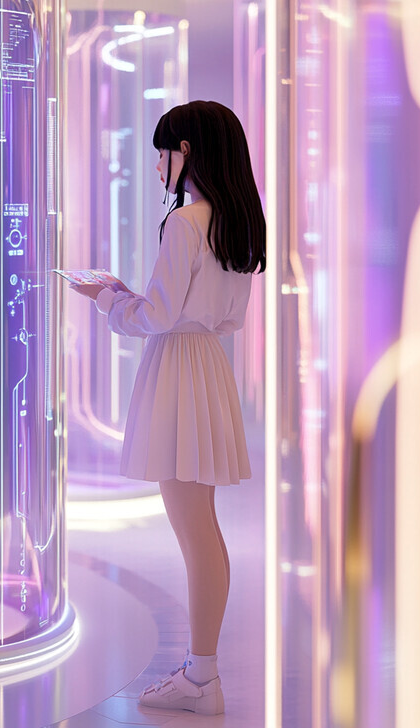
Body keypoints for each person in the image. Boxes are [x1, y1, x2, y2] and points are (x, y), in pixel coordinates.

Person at [70, 100, 266, 716]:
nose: (159, 164)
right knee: (202, 526)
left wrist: (106, 300)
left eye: (165, 151)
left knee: (193, 531)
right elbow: (215, 315)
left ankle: (201, 677)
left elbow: (155, 318)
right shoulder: (236, 223)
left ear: (189, 153)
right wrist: (132, 297)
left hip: (178, 370)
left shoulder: (184, 223)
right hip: (207, 366)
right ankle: (199, 672)